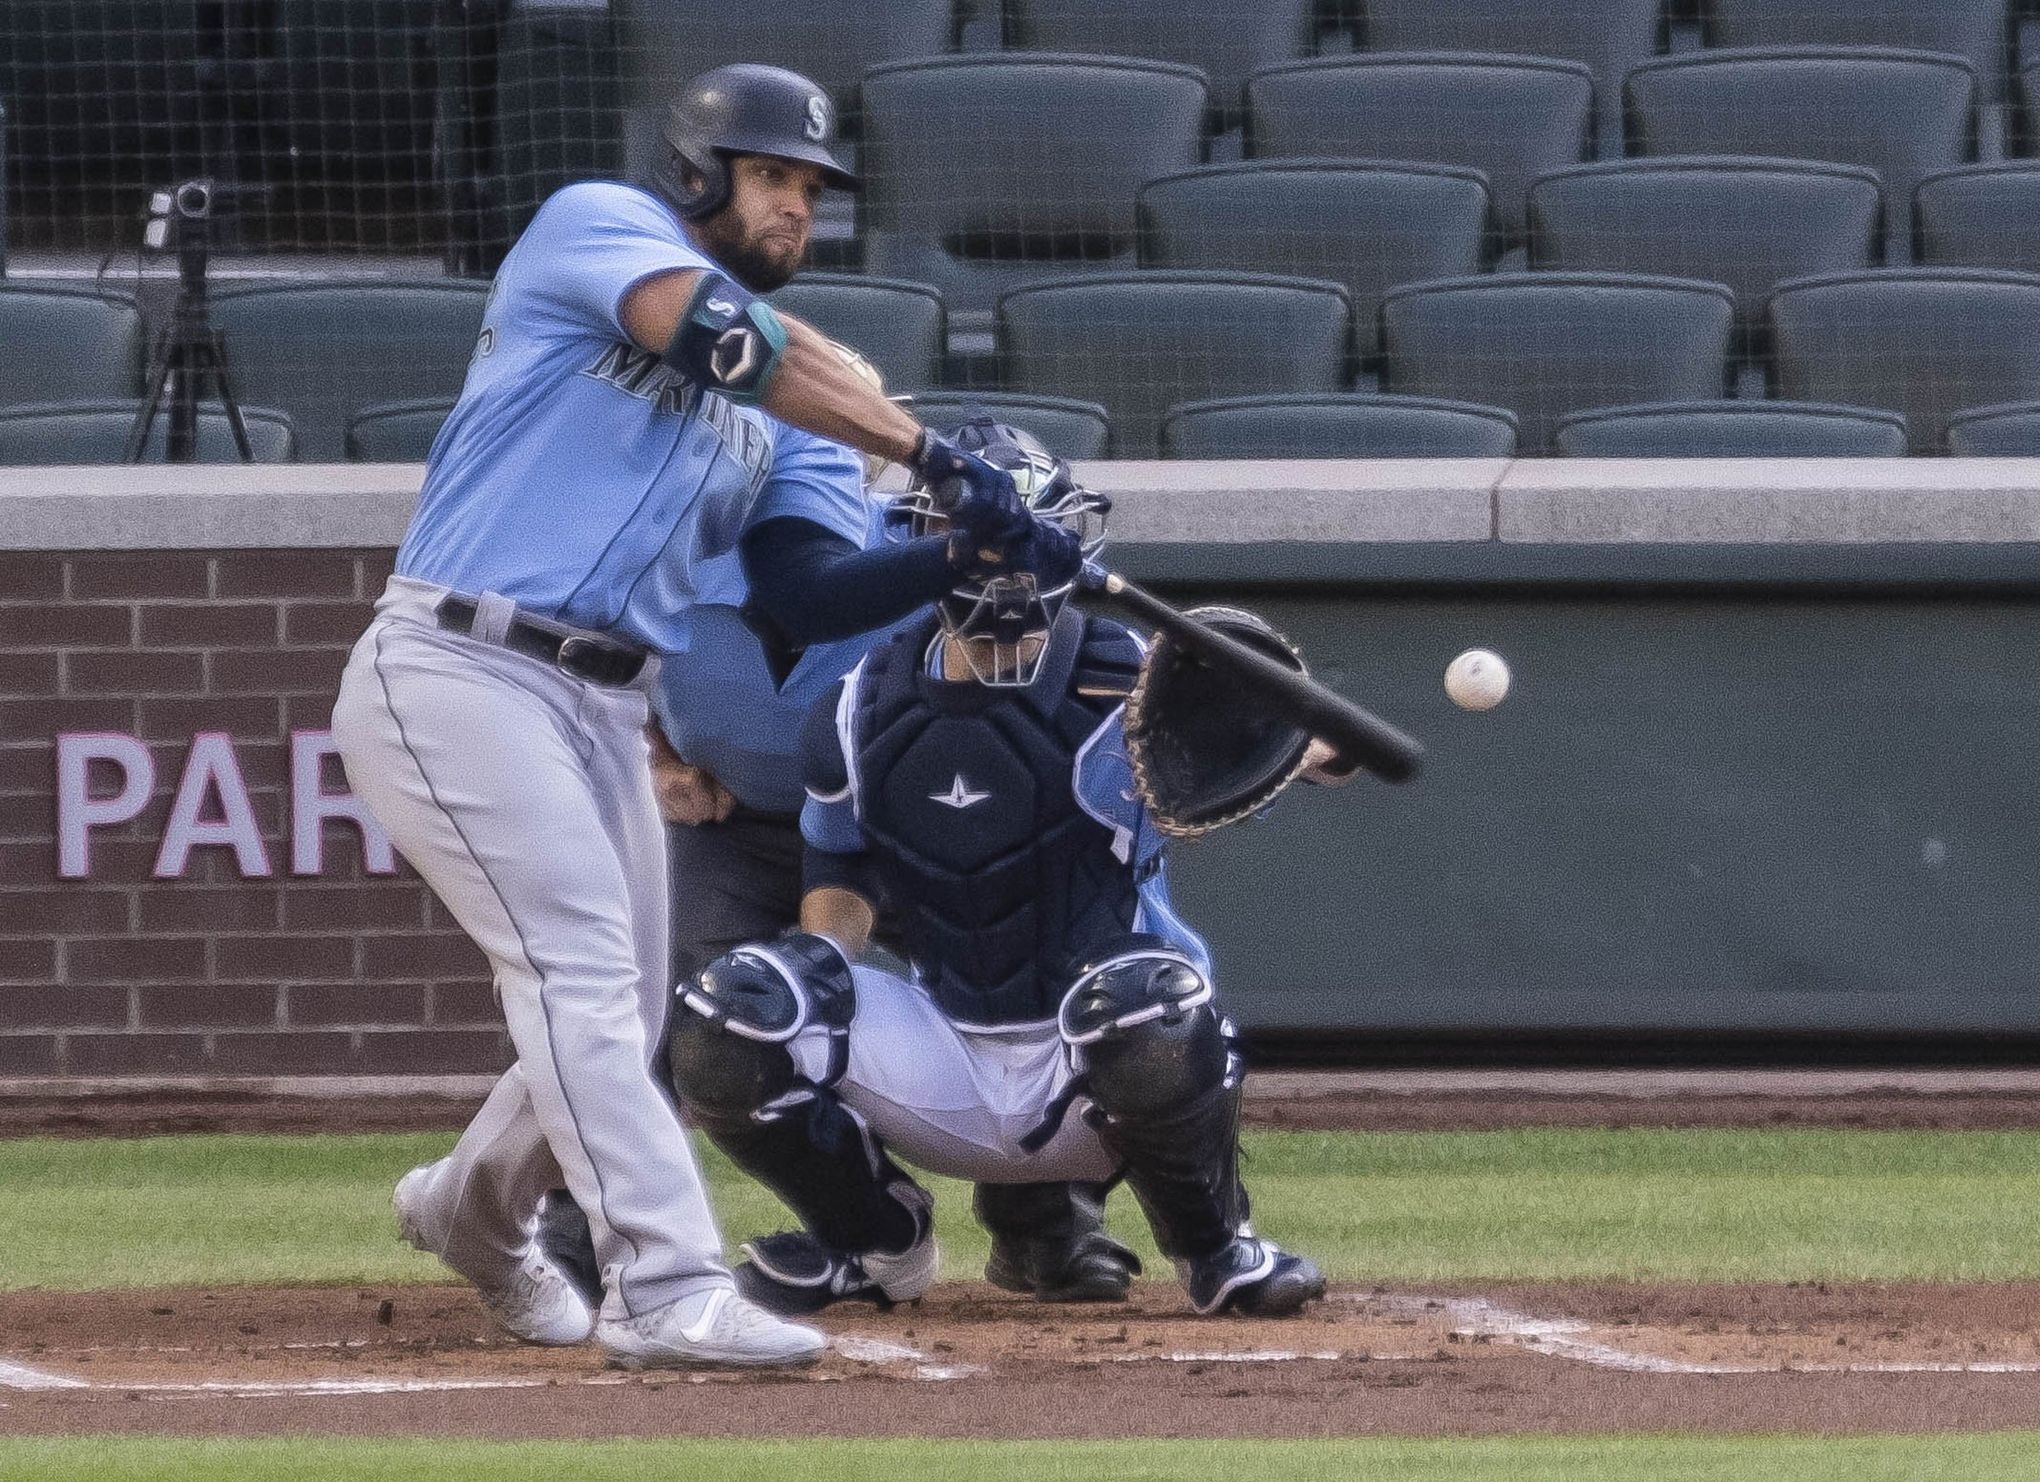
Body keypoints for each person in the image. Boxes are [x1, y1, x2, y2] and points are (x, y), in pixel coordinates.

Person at [329, 64, 1078, 1371]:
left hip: (601, 697)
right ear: (697, 173)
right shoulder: (597, 229)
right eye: (770, 176)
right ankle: (663, 1284)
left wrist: (973, 562)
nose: (794, 207)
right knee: (574, 968)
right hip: (458, 658)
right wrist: (938, 460)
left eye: (808, 189)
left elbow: (807, 590)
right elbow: (735, 343)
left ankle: (468, 1208)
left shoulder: (788, 426)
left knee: (629, 994)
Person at [663, 422, 1335, 1320]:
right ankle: (872, 1238)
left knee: (1148, 999)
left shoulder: (1133, 681)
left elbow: (1287, 755)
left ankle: (1217, 1251)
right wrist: (821, 964)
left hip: (1097, 1063)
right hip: (944, 1051)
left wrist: (1292, 739)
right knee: (729, 1007)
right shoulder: (859, 700)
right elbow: (842, 867)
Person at [533, 367, 1140, 1309]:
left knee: (1043, 977)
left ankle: (1043, 1226)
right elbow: (592, 667)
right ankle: (593, 1235)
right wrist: (658, 760)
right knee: (669, 1017)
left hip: (906, 821)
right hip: (734, 826)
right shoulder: (646, 549)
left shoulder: (911, 548)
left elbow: (1020, 656)